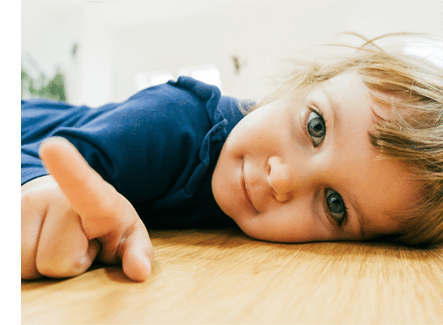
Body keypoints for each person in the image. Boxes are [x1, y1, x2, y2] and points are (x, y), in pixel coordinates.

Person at [21, 33, 443, 282]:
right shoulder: (175, 120)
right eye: (316, 126)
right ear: (301, 83)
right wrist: (40, 192)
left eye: (335, 205)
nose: (282, 180)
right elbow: (44, 163)